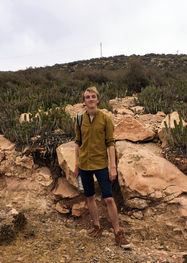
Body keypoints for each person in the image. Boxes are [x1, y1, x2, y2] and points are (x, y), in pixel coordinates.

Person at [74, 86, 130, 249]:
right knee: (90, 196)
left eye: (93, 96)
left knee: (109, 198)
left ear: (97, 99)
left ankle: (118, 232)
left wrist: (113, 166)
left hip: (100, 165)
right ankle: (97, 226)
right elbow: (78, 142)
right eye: (87, 97)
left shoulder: (105, 119)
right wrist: (76, 164)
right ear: (84, 101)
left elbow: (110, 144)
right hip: (84, 165)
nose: (90, 99)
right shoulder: (79, 119)